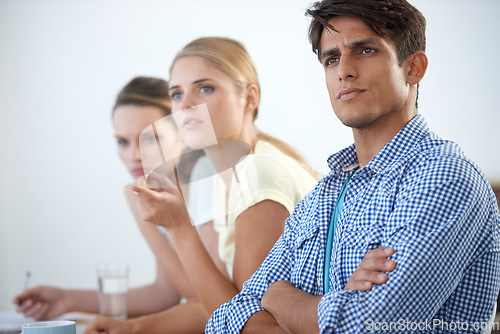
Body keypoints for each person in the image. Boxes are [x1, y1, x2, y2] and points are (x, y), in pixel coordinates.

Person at [206, 0, 500, 333]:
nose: (343, 70)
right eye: (331, 59)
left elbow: (370, 326)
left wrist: (279, 297)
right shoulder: (322, 197)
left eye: (365, 51)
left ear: (413, 67)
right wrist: (336, 306)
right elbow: (225, 319)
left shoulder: (444, 176)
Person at [82, 36, 322, 334]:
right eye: (177, 94)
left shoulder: (260, 176)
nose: (186, 105)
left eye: (205, 88)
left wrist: (178, 228)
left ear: (249, 98)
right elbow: (214, 305)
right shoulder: (214, 173)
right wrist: (132, 329)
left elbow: (255, 325)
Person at [13, 76, 215, 325]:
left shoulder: (207, 178)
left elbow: (205, 299)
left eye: (149, 138)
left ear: (184, 134)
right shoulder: (145, 193)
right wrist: (68, 299)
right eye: (122, 142)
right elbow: (166, 292)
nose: (134, 155)